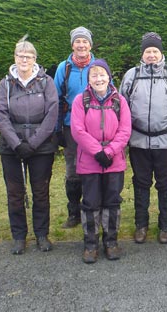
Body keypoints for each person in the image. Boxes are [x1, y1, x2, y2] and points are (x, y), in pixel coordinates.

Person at [0, 37, 59, 255]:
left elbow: (52, 113)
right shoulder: (5, 84)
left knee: (40, 192)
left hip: (41, 147)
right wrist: (16, 143)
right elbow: (1, 115)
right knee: (15, 192)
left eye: (28, 56)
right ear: (15, 58)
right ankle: (19, 236)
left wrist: (33, 143)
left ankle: (42, 234)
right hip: (11, 148)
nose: (24, 59)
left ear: (35, 59)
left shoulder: (46, 82)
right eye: (20, 55)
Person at [119, 32, 167, 244]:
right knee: (141, 183)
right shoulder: (132, 75)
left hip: (166, 141)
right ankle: (141, 224)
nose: (151, 55)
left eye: (155, 51)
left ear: (161, 53)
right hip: (139, 141)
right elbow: (121, 107)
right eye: (148, 51)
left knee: (166, 184)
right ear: (142, 53)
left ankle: (165, 225)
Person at [71, 59, 132, 263]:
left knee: (112, 202)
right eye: (94, 75)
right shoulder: (81, 100)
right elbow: (77, 130)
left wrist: (111, 151)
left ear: (109, 76)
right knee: (90, 203)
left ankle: (111, 241)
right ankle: (90, 244)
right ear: (89, 79)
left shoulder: (119, 101)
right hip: (89, 161)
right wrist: (98, 152)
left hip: (114, 160)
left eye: (102, 74)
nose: (99, 79)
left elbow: (125, 130)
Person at [53, 26, 95, 228]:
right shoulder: (64, 68)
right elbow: (56, 99)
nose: (81, 45)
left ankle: (92, 209)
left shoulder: (98, 66)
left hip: (96, 127)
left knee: (93, 168)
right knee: (73, 170)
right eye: (77, 41)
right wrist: (57, 129)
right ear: (72, 45)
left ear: (90, 45)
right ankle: (73, 213)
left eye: (85, 41)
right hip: (71, 127)